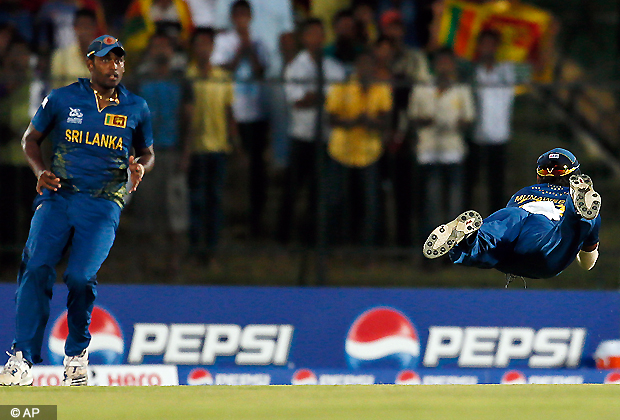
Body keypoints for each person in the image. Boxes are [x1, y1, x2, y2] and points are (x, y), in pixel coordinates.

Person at [0, 35, 154, 386]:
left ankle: (76, 355)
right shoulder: (62, 98)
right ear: (90, 63)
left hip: (103, 203)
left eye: (118, 60)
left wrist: (141, 167)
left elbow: (147, 151)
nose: (113, 66)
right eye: (105, 59)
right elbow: (30, 139)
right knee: (37, 266)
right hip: (58, 197)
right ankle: (22, 357)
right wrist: (40, 173)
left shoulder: (136, 108)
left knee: (80, 277)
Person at [423, 148, 601, 283]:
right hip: (544, 236)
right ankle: (576, 214)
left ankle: (467, 239)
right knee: (570, 228)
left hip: (513, 230)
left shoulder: (524, 192)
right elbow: (587, 263)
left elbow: (508, 230)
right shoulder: (582, 201)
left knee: (496, 231)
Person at [277, 17, 345, 244]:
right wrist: (324, 97)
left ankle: (314, 240)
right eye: (311, 34)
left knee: (320, 192)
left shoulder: (335, 67)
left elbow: (341, 102)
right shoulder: (296, 66)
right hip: (302, 136)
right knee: (292, 189)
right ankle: (283, 237)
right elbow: (297, 101)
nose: (316, 38)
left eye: (319, 33)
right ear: (304, 38)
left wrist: (314, 97)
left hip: (327, 138)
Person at [132, 31, 190, 279]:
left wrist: (186, 153)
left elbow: (189, 120)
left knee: (174, 215)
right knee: (144, 213)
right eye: (156, 46)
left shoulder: (181, 82)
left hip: (171, 153)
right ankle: (143, 266)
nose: (161, 50)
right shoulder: (138, 82)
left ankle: (172, 266)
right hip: (144, 156)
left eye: (166, 46)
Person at [211, 0, 269, 238]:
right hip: (231, 111)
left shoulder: (260, 41)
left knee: (257, 168)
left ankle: (256, 220)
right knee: (230, 166)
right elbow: (221, 70)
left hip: (255, 114)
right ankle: (226, 218)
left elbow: (262, 71)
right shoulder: (224, 41)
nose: (242, 20)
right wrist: (238, 52)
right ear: (233, 17)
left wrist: (251, 49)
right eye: (238, 15)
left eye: (246, 15)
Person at [326, 52, 392, 245]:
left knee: (370, 204)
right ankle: (334, 245)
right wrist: (352, 121)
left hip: (368, 153)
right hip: (341, 152)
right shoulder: (343, 86)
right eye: (361, 64)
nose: (364, 69)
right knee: (336, 201)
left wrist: (370, 122)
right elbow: (330, 117)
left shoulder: (381, 88)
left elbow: (386, 120)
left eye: (368, 65)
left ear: (374, 68)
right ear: (356, 66)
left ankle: (368, 247)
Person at [409, 47, 475, 242]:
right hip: (428, 152)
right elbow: (413, 117)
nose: (444, 67)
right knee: (432, 202)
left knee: (454, 204)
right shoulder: (422, 88)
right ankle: (434, 247)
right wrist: (427, 121)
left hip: (453, 151)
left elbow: (469, 118)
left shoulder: (460, 89)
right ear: (434, 65)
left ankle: (453, 248)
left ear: (453, 65)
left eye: (447, 62)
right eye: (440, 62)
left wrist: (454, 123)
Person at [184, 27, 236, 266]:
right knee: (196, 201)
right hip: (195, 149)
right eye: (199, 43)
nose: (204, 48)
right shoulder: (188, 76)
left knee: (214, 201)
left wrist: (235, 141)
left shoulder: (223, 77)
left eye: (208, 43)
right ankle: (195, 249)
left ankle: (211, 250)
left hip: (218, 148)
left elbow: (228, 112)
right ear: (194, 48)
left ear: (213, 47)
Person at [468, 29, 516, 214]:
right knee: (470, 188)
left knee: (497, 189)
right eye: (484, 44)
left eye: (491, 44)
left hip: (499, 137)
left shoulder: (507, 72)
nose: (487, 48)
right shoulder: (472, 72)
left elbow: (539, 68)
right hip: (476, 137)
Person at [49, 9, 98, 88]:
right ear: (75, 28)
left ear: (94, 29)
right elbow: (56, 90)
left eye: (88, 26)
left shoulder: (104, 58)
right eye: (81, 26)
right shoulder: (61, 56)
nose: (84, 30)